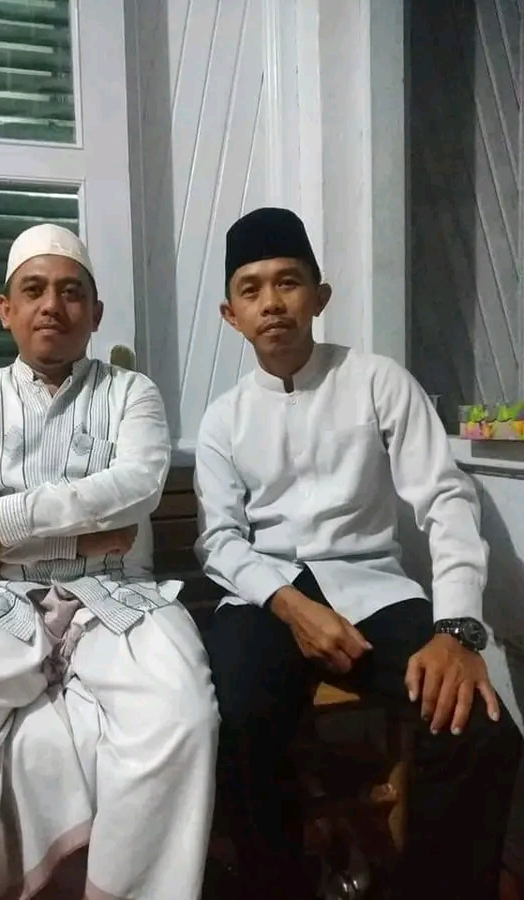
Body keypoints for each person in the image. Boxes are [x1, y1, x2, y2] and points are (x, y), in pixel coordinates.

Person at [0, 224, 219, 900]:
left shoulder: (131, 393)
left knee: (184, 722)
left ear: (95, 312)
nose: (51, 306)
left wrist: (1, 520)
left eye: (70, 292)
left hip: (120, 595)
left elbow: (135, 489)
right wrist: (77, 540)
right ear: (6, 310)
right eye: (33, 291)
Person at [195, 207, 522, 900]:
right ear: (231, 314)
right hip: (264, 598)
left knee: (479, 731)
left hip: (373, 590)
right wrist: (290, 606)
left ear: (319, 296)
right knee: (232, 722)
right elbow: (219, 540)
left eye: (288, 282)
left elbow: (446, 499)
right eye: (251, 289)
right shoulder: (223, 418)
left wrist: (456, 629)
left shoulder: (378, 380)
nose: (271, 302)